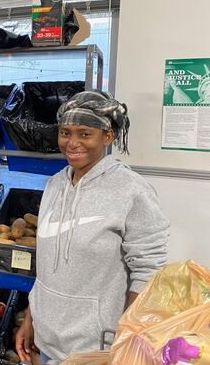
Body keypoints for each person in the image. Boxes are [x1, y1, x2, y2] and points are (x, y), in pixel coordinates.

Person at [15, 90, 170, 365]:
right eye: (65, 132)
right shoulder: (54, 185)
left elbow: (149, 271)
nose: (72, 143)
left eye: (85, 134)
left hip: (97, 350)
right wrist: (31, 317)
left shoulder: (132, 191)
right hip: (47, 341)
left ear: (107, 137)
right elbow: (47, 267)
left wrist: (126, 339)